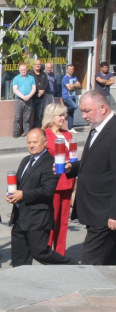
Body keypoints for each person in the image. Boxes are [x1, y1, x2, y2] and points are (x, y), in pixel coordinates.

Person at [6, 128, 77, 266]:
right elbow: (20, 183)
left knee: (40, 252)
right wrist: (11, 193)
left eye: (35, 142)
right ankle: (22, 284)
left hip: (38, 217)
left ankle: (72, 266)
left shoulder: (50, 163)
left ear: (45, 142)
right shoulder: (26, 160)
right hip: (20, 216)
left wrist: (23, 194)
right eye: (29, 142)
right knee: (19, 258)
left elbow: (47, 191)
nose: (31, 145)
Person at [65, 90, 116, 265]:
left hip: (104, 212)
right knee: (107, 261)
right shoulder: (97, 129)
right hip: (94, 210)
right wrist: (72, 167)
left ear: (103, 108)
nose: (84, 116)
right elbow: (95, 163)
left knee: (89, 264)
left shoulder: (113, 131)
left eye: (87, 111)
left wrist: (114, 213)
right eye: (82, 111)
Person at [42, 103, 76, 256]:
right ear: (51, 116)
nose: (63, 118)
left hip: (68, 182)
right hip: (53, 183)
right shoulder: (44, 134)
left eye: (64, 115)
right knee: (51, 220)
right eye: (60, 115)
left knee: (63, 221)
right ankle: (47, 252)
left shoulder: (68, 134)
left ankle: (60, 253)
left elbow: (74, 156)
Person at [12, 63, 36, 138]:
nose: (23, 71)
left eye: (25, 69)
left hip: (29, 99)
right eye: (22, 70)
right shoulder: (16, 78)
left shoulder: (31, 78)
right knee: (18, 117)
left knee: (27, 117)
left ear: (27, 70)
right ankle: (15, 132)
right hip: (19, 100)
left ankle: (26, 132)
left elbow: (34, 89)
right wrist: (23, 97)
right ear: (19, 71)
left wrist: (28, 96)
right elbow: (15, 90)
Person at [28, 60, 49, 129]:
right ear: (34, 65)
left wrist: (42, 91)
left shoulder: (43, 74)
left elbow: (46, 83)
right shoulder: (30, 74)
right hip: (32, 98)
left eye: (39, 64)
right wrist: (37, 92)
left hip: (41, 98)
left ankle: (36, 129)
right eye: (36, 64)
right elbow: (29, 85)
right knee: (29, 114)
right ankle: (26, 130)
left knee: (38, 115)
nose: (38, 65)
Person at [61, 64, 81, 134]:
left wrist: (73, 85)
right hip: (67, 97)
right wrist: (75, 85)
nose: (71, 70)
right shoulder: (65, 78)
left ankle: (71, 127)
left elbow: (79, 85)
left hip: (73, 96)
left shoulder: (74, 77)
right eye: (70, 69)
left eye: (72, 69)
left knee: (71, 113)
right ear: (67, 70)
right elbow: (69, 88)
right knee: (75, 106)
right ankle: (65, 111)